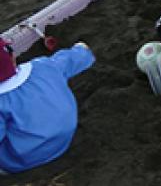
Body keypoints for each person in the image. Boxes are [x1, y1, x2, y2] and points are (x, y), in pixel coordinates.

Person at [0, 39, 94, 173]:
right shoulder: (42, 67)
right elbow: (71, 59)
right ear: (12, 57)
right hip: (62, 140)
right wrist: (81, 49)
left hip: (21, 160)